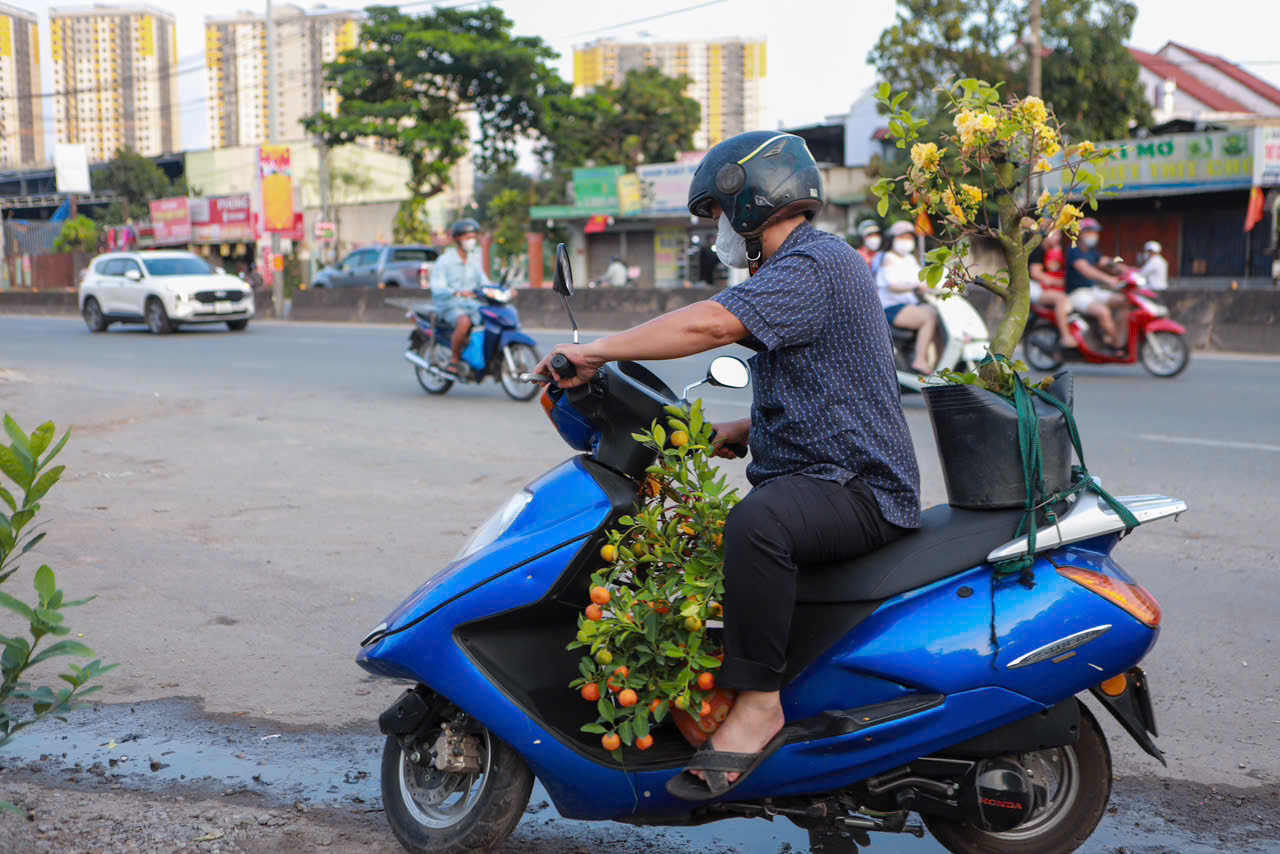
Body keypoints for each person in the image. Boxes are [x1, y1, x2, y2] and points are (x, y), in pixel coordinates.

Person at [535, 130, 921, 801]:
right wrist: (738, 431)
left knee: (758, 527)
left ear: (749, 205)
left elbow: (710, 327)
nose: (715, 234)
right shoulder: (799, 271)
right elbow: (825, 383)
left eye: (715, 216)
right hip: (830, 474)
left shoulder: (813, 264)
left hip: (860, 489)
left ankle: (759, 706)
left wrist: (598, 351)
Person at [876, 221, 937, 374]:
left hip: (909, 306)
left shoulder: (910, 259)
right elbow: (892, 286)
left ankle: (938, 362)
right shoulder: (888, 258)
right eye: (902, 237)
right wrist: (914, 287)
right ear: (893, 239)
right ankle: (920, 360)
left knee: (936, 314)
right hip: (891, 308)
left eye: (909, 237)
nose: (906, 241)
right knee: (929, 316)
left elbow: (921, 280)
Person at [432, 218, 491, 374]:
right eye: (467, 238)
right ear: (458, 239)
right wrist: (456, 292)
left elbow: (484, 282)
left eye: (473, 237)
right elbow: (437, 287)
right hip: (450, 305)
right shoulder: (445, 261)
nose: (471, 241)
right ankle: (455, 359)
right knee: (464, 322)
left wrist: (501, 290)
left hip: (472, 305)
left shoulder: (474, 259)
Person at [1065, 218, 1126, 350]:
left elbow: (1108, 262)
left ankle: (1115, 336)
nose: (1094, 235)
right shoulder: (1074, 251)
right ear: (1081, 233)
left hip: (1093, 290)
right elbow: (1086, 270)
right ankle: (1117, 345)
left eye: (1095, 232)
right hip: (1077, 293)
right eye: (1091, 232)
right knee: (1103, 311)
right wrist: (1108, 279)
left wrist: (1127, 270)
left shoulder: (1093, 252)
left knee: (1124, 301)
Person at [1028, 230, 1076, 348]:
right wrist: (1056, 281)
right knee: (1061, 299)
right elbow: (1035, 273)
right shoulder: (1038, 251)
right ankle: (1066, 336)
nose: (1057, 237)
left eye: (1058, 234)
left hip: (1049, 288)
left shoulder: (1055, 250)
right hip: (1037, 289)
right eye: (1053, 234)